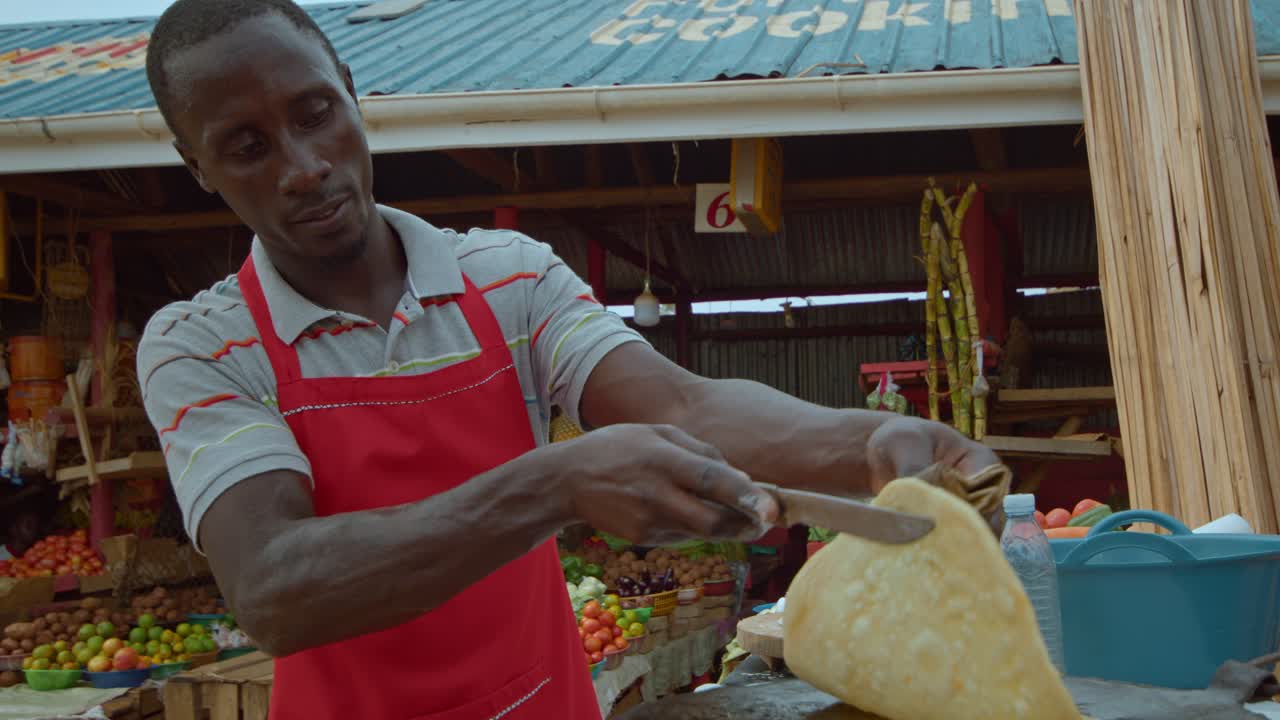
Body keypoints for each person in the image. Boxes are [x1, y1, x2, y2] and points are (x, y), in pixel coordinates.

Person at [137, 1, 1002, 717]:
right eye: (248, 147)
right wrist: (553, 484)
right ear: (198, 167)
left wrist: (871, 443)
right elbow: (276, 588)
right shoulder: (202, 345)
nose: (303, 166)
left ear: (354, 95)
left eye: (315, 112)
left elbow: (682, 408)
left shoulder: (505, 278)